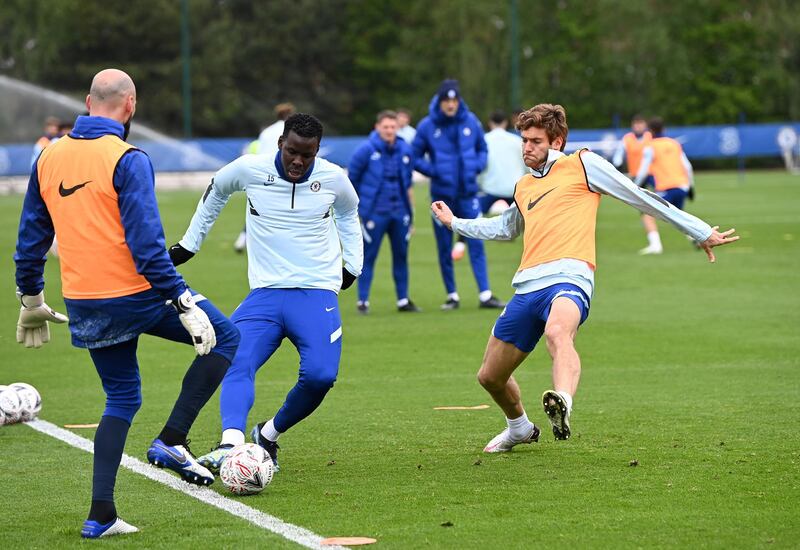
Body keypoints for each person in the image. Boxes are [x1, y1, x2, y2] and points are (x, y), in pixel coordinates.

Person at [431, 103, 737, 453]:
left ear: (557, 141)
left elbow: (639, 196)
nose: (526, 147)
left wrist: (698, 231)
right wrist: (455, 223)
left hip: (570, 277)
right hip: (528, 286)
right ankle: (519, 428)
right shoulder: (524, 186)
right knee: (490, 376)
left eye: (535, 141)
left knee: (558, 332)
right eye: (524, 140)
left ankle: (561, 401)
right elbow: (505, 227)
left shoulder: (583, 164)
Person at [14, 69, 240, 539]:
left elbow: (31, 238)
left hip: (83, 301)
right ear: (130, 104)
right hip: (136, 294)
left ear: (87, 101)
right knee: (226, 337)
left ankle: (101, 515)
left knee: (121, 398)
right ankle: (172, 440)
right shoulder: (128, 157)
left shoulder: (48, 156)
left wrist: (31, 296)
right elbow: (147, 245)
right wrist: (180, 297)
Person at [167, 113, 363, 473]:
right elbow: (215, 190)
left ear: (318, 150)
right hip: (265, 294)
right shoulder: (249, 169)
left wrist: (353, 265)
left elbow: (349, 214)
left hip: (316, 292)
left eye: (307, 155)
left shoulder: (334, 178)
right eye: (292, 152)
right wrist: (189, 245)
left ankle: (268, 434)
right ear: (280, 144)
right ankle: (231, 443)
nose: (298, 162)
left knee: (320, 376)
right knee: (234, 358)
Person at [412, 79, 504, 310]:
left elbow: (482, 148)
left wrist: (477, 166)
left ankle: (485, 294)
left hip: (468, 192)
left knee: (476, 242)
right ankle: (452, 295)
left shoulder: (470, 121)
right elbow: (414, 156)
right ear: (440, 101)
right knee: (444, 246)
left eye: (454, 100)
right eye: (447, 100)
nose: (451, 105)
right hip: (442, 196)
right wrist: (434, 172)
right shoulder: (427, 126)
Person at [348, 110, 419, 314]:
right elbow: (352, 181)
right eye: (386, 127)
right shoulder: (365, 150)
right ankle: (363, 301)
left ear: (398, 128)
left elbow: (408, 184)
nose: (389, 131)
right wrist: (359, 210)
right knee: (368, 257)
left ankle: (403, 300)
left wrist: (410, 212)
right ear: (377, 127)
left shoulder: (404, 149)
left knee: (401, 256)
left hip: (399, 213)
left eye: (393, 127)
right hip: (374, 214)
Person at [234, 102, 297, 252]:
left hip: (263, 174)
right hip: (283, 174)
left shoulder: (266, 132)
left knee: (258, 208)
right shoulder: (292, 130)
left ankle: (242, 240)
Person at [633, 117, 696, 254]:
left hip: (666, 187)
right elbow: (688, 167)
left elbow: (643, 170)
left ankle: (655, 245)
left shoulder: (650, 147)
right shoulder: (674, 143)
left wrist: (635, 186)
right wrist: (691, 187)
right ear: (664, 129)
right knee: (678, 216)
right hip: (682, 186)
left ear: (649, 131)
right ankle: (695, 237)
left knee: (646, 211)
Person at [477, 110, 528, 214]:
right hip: (513, 190)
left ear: (490, 123)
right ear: (505, 122)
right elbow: (527, 165)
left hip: (489, 190)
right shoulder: (517, 141)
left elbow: (478, 166)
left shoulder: (483, 140)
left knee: (475, 217)